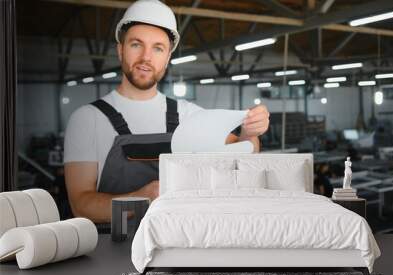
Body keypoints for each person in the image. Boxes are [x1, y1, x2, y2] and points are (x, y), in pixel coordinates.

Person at [63, 0, 270, 224]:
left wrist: (250, 131)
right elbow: (81, 206)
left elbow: (243, 150)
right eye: (136, 44)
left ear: (168, 57)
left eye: (158, 48)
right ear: (120, 50)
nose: (146, 57)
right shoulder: (87, 119)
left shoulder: (189, 114)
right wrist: (140, 198)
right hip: (112, 248)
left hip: (179, 247)